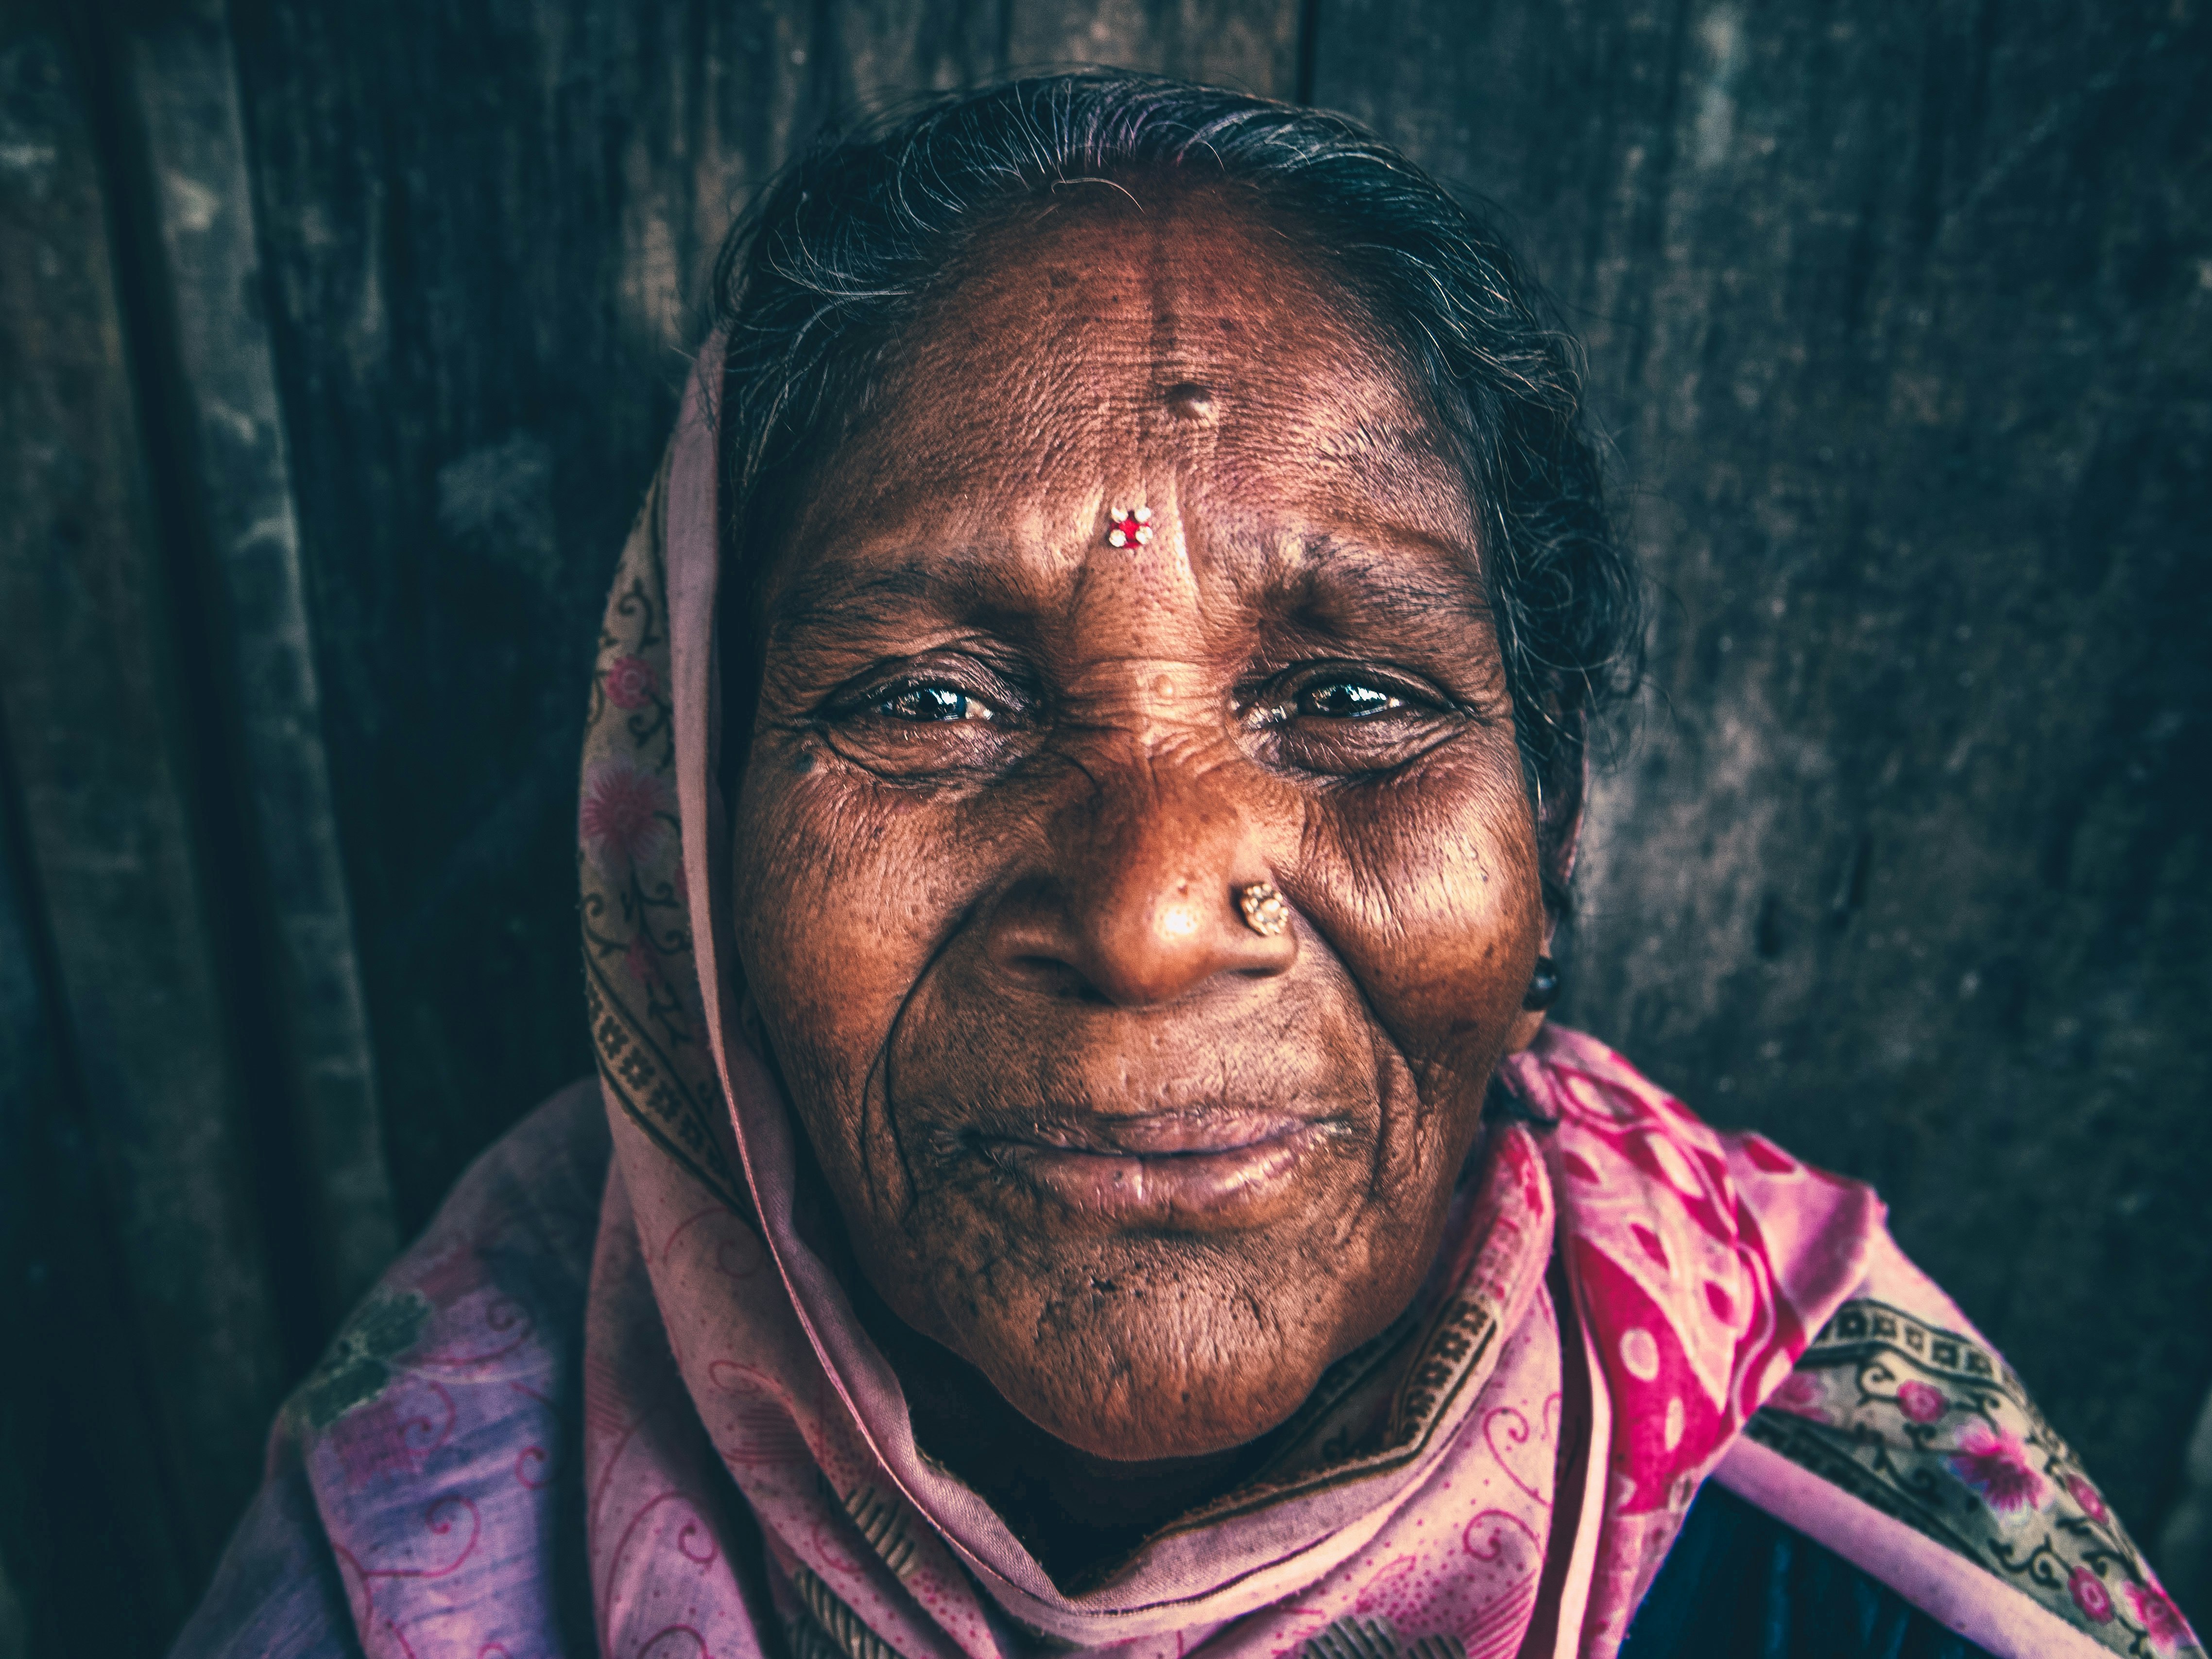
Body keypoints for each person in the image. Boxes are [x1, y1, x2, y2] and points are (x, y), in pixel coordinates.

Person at [171, 75, 2199, 1659]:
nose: (1148, 914)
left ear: (1549, 824)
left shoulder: (1855, 1564)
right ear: (680, 838)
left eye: (1344, 696)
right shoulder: (431, 1522)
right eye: (932, 704)